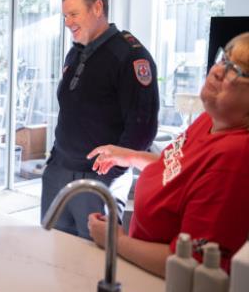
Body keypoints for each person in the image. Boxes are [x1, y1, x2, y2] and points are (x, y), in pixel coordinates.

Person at [87, 32, 249, 276]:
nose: (217, 71)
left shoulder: (235, 157)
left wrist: (115, 241)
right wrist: (128, 156)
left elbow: (190, 264)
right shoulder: (210, 119)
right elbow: (179, 169)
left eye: (235, 71)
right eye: (223, 59)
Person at [40, 0, 159, 239]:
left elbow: (142, 128)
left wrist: (110, 174)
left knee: (93, 263)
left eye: (73, 14)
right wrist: (54, 164)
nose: (68, 22)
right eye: (65, 16)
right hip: (58, 172)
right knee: (51, 253)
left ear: (97, 8)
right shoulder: (76, 53)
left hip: (97, 180)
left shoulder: (129, 55)